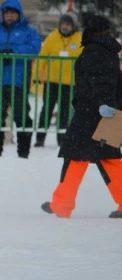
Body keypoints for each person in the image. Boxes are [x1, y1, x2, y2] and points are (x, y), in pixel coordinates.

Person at [42, 15, 122, 219]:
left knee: (75, 157)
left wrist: (100, 104)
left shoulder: (93, 52)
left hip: (90, 112)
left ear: (90, 31)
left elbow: (96, 83)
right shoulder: (111, 51)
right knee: (110, 158)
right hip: (110, 112)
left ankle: (62, 204)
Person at [0, 0, 41, 158]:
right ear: (2, 15)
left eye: (13, 13)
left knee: (22, 116)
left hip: (18, 80)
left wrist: (13, 51)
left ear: (19, 15)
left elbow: (34, 48)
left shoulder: (28, 31)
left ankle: (23, 152)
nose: (9, 16)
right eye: (6, 13)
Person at [33, 13, 82, 148]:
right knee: (46, 109)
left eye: (68, 24)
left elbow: (84, 61)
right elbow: (42, 57)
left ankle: (62, 140)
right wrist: (36, 75)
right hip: (52, 80)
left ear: (73, 26)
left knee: (65, 112)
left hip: (69, 82)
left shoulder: (79, 39)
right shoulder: (52, 37)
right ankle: (40, 138)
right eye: (63, 24)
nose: (65, 27)